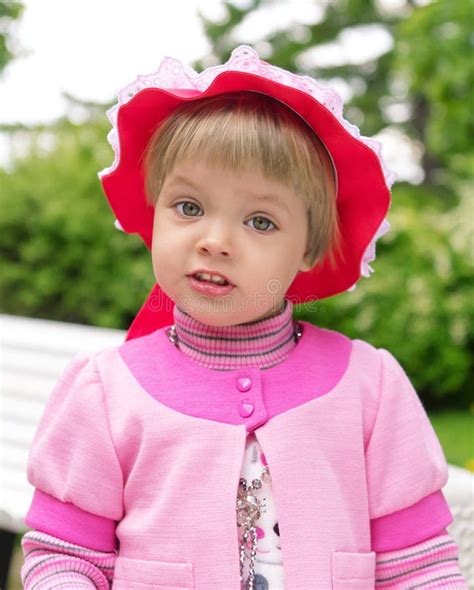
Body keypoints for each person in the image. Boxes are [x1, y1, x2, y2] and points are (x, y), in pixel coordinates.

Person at [20, 46, 467, 589]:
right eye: (188, 208)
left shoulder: (369, 389)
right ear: (154, 210)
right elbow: (66, 558)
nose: (215, 241)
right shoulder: (105, 392)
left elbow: (419, 567)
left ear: (309, 248)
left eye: (259, 221)